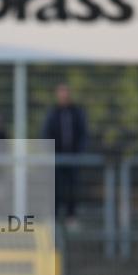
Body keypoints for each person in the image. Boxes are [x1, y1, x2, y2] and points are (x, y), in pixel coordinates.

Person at [42, 84, 88, 227]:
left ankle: (71, 217)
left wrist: (79, 152)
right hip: (57, 158)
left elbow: (83, 134)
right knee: (55, 187)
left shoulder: (76, 112)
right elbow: (46, 134)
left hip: (73, 158)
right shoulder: (53, 113)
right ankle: (53, 217)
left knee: (72, 188)